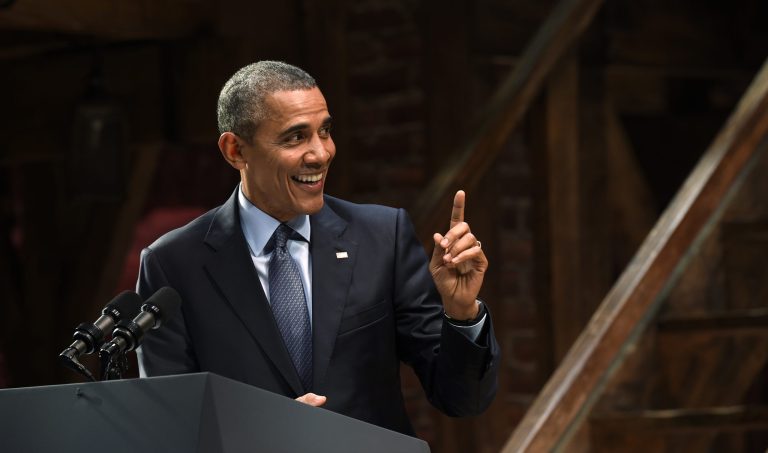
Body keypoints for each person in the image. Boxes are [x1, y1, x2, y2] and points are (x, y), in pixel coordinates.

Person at [137, 60, 499, 435]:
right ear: (235, 150)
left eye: (324, 131)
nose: (321, 153)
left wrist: (461, 313)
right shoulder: (172, 264)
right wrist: (262, 435)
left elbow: (461, 399)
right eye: (296, 137)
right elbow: (169, 426)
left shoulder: (383, 235)